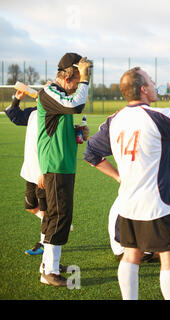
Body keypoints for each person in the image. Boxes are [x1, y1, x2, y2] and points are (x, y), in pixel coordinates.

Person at [83, 67, 170, 300]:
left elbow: (90, 153)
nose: (154, 84)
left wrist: (119, 177)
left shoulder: (115, 119)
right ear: (143, 89)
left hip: (127, 202)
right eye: (151, 81)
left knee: (131, 255)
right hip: (156, 203)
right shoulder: (157, 115)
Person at [37, 52, 91, 287]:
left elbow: (59, 125)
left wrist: (77, 132)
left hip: (64, 164)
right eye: (78, 80)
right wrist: (86, 80)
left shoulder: (59, 94)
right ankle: (48, 270)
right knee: (59, 216)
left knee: (58, 215)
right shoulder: (49, 91)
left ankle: (51, 264)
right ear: (69, 76)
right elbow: (76, 105)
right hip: (56, 165)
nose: (79, 85)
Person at [5, 88, 47, 256]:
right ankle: (55, 223)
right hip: (30, 169)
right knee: (30, 206)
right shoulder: (32, 113)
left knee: (44, 209)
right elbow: (14, 115)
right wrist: (17, 98)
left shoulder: (52, 115)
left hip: (43, 172)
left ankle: (44, 242)